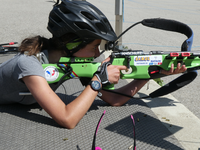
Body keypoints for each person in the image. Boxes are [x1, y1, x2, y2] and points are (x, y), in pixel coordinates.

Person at [0, 0, 187, 129]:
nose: (98, 53)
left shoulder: (78, 62)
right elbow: (67, 119)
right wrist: (97, 81)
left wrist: (153, 73)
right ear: (73, 44)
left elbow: (115, 100)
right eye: (95, 46)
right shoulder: (29, 65)